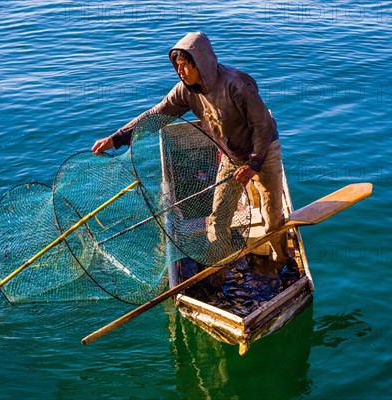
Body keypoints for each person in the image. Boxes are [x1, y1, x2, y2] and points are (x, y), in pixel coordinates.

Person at [92, 32, 288, 271]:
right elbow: (155, 115)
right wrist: (117, 138)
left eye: (184, 65)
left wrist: (254, 165)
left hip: (264, 153)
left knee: (273, 216)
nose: (180, 71)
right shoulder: (185, 91)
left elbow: (262, 126)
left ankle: (280, 262)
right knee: (218, 217)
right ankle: (220, 267)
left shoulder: (236, 85)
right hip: (232, 156)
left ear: (201, 64)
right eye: (177, 66)